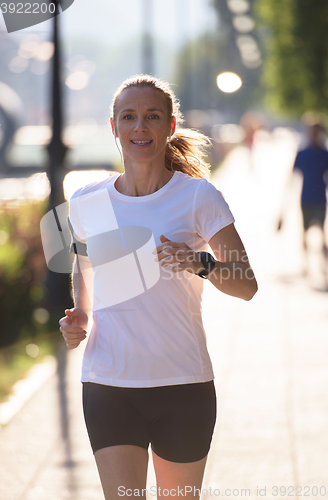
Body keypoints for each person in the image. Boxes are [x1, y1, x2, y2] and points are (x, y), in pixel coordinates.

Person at [59, 74, 258, 500]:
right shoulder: (86, 201)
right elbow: (85, 267)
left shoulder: (198, 197)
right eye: (128, 117)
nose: (139, 127)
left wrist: (200, 262)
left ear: (170, 126)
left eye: (152, 117)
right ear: (114, 127)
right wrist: (80, 314)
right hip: (109, 384)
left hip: (182, 386)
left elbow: (246, 284)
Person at [293, 123, 328, 276]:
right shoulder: (302, 153)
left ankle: (323, 265)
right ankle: (305, 264)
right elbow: (292, 176)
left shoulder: (325, 154)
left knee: (322, 233)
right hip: (306, 198)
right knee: (305, 232)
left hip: (320, 198)